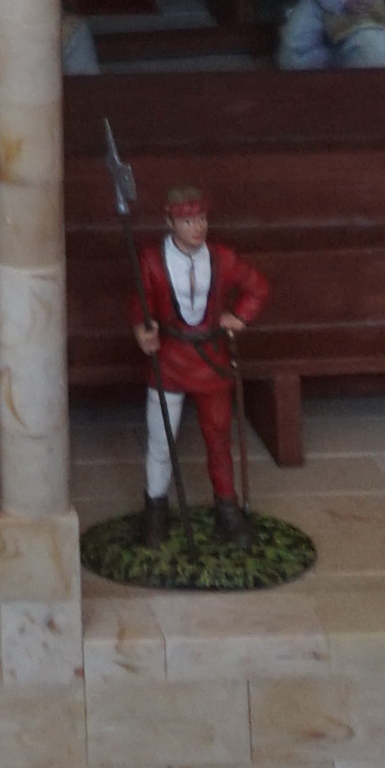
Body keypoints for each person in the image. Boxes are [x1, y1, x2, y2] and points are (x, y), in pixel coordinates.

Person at [132, 184, 271, 535]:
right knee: (161, 440)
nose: (198, 227)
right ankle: (155, 507)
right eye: (188, 221)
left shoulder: (222, 258)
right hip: (168, 360)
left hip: (210, 360)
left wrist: (239, 317)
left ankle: (226, 507)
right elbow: (140, 300)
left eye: (202, 219)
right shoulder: (151, 260)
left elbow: (257, 287)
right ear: (170, 222)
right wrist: (144, 328)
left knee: (218, 439)